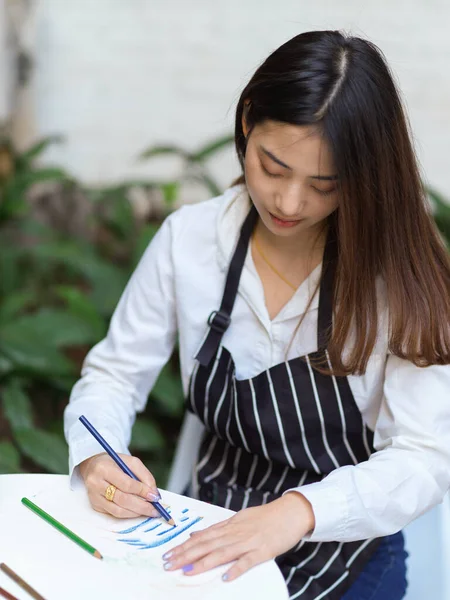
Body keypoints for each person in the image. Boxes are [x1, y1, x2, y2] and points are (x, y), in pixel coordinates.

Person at [64, 29, 450, 600]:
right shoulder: (190, 242)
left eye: (325, 185)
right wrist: (99, 459)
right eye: (273, 168)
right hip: (202, 541)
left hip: (348, 560)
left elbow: (424, 458)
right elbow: (115, 375)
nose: (290, 203)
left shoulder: (397, 280)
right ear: (247, 121)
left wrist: (297, 512)